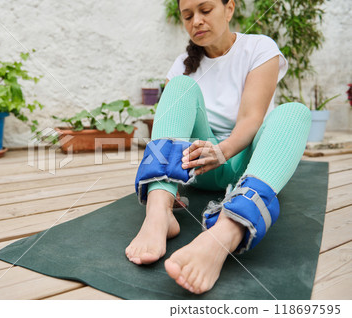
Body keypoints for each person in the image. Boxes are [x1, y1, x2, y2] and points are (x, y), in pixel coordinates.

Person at [126, 0, 311, 295]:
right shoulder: (180, 65)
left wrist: (222, 151)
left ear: (229, 9)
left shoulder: (260, 48)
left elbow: (252, 119)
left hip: (250, 166)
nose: (196, 21)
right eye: (188, 15)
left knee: (295, 112)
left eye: (205, 10)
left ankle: (226, 231)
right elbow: (173, 124)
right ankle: (159, 211)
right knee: (178, 87)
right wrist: (193, 163)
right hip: (200, 165)